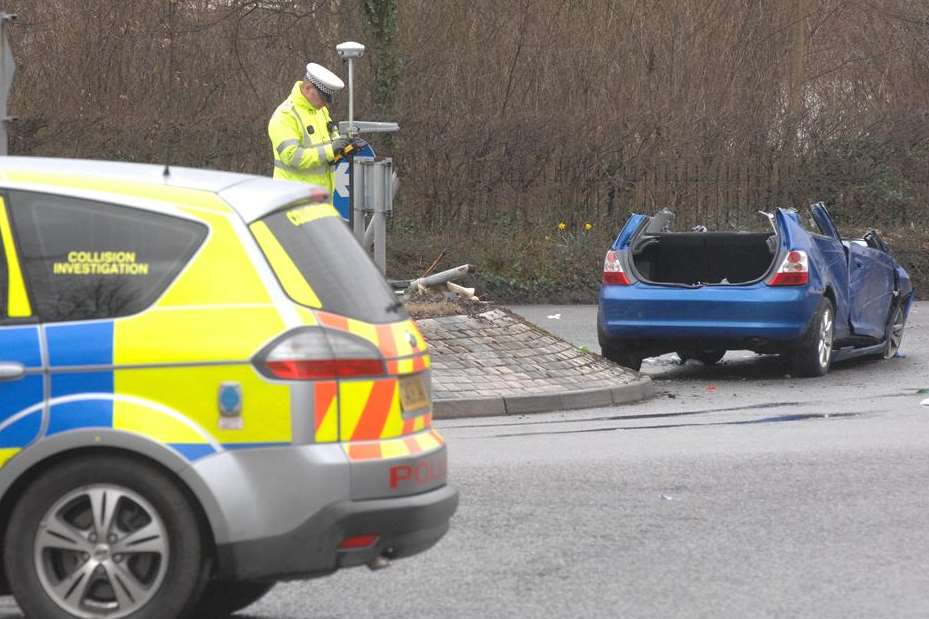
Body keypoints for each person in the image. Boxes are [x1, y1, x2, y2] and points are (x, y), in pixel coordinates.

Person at [268, 62, 349, 198]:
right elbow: (292, 157)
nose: (325, 103)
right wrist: (331, 150)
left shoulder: (320, 110)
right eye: (322, 98)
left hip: (319, 198)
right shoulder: (286, 115)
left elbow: (331, 140)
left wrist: (345, 147)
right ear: (307, 88)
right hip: (294, 200)